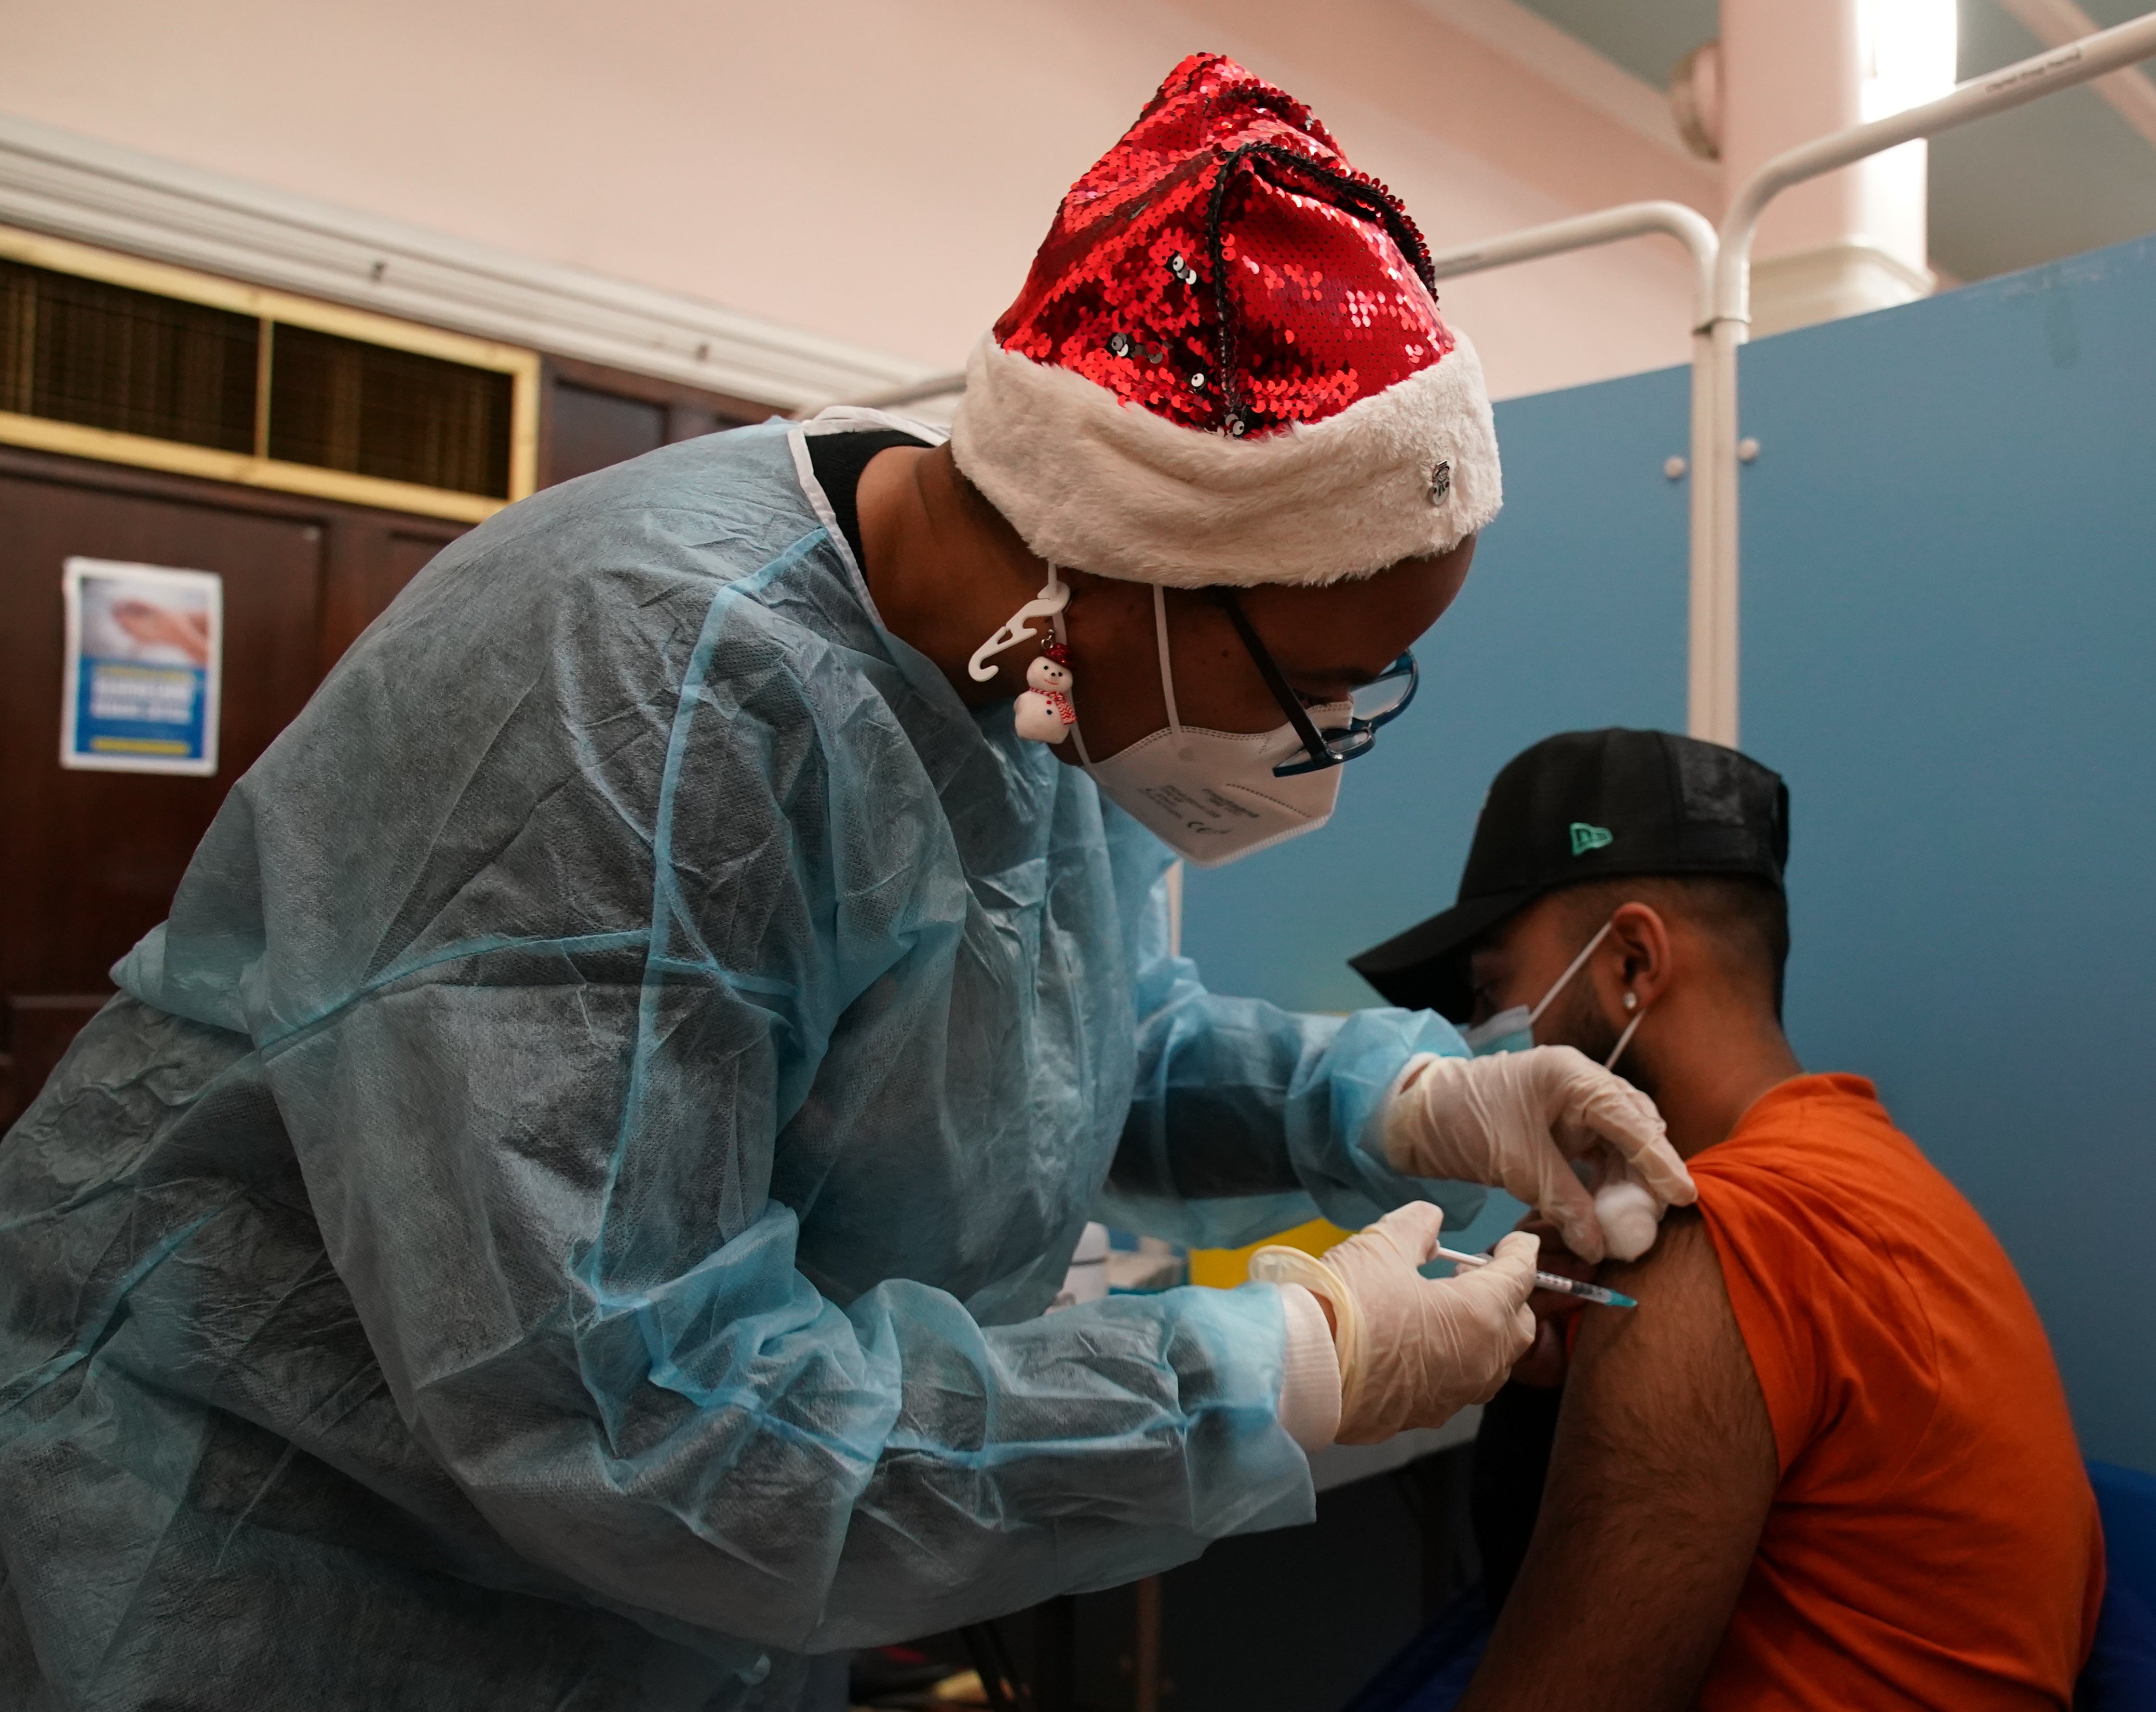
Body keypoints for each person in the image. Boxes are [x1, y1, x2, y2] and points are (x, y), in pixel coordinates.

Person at [0, 58, 1696, 1712]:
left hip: (661, 1603)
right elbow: (641, 1414)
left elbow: (1067, 1034)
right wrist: (1280, 1363)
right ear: (1130, 574)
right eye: (1328, 682)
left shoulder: (1039, 691)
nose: (1329, 742)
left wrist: (1400, 1098)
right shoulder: (632, 702)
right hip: (296, 1559)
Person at [1349, 728, 2106, 1711]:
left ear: (1632, 960)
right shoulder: (1874, 1169)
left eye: (1493, 991)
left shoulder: (1725, 1233)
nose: (1483, 1038)